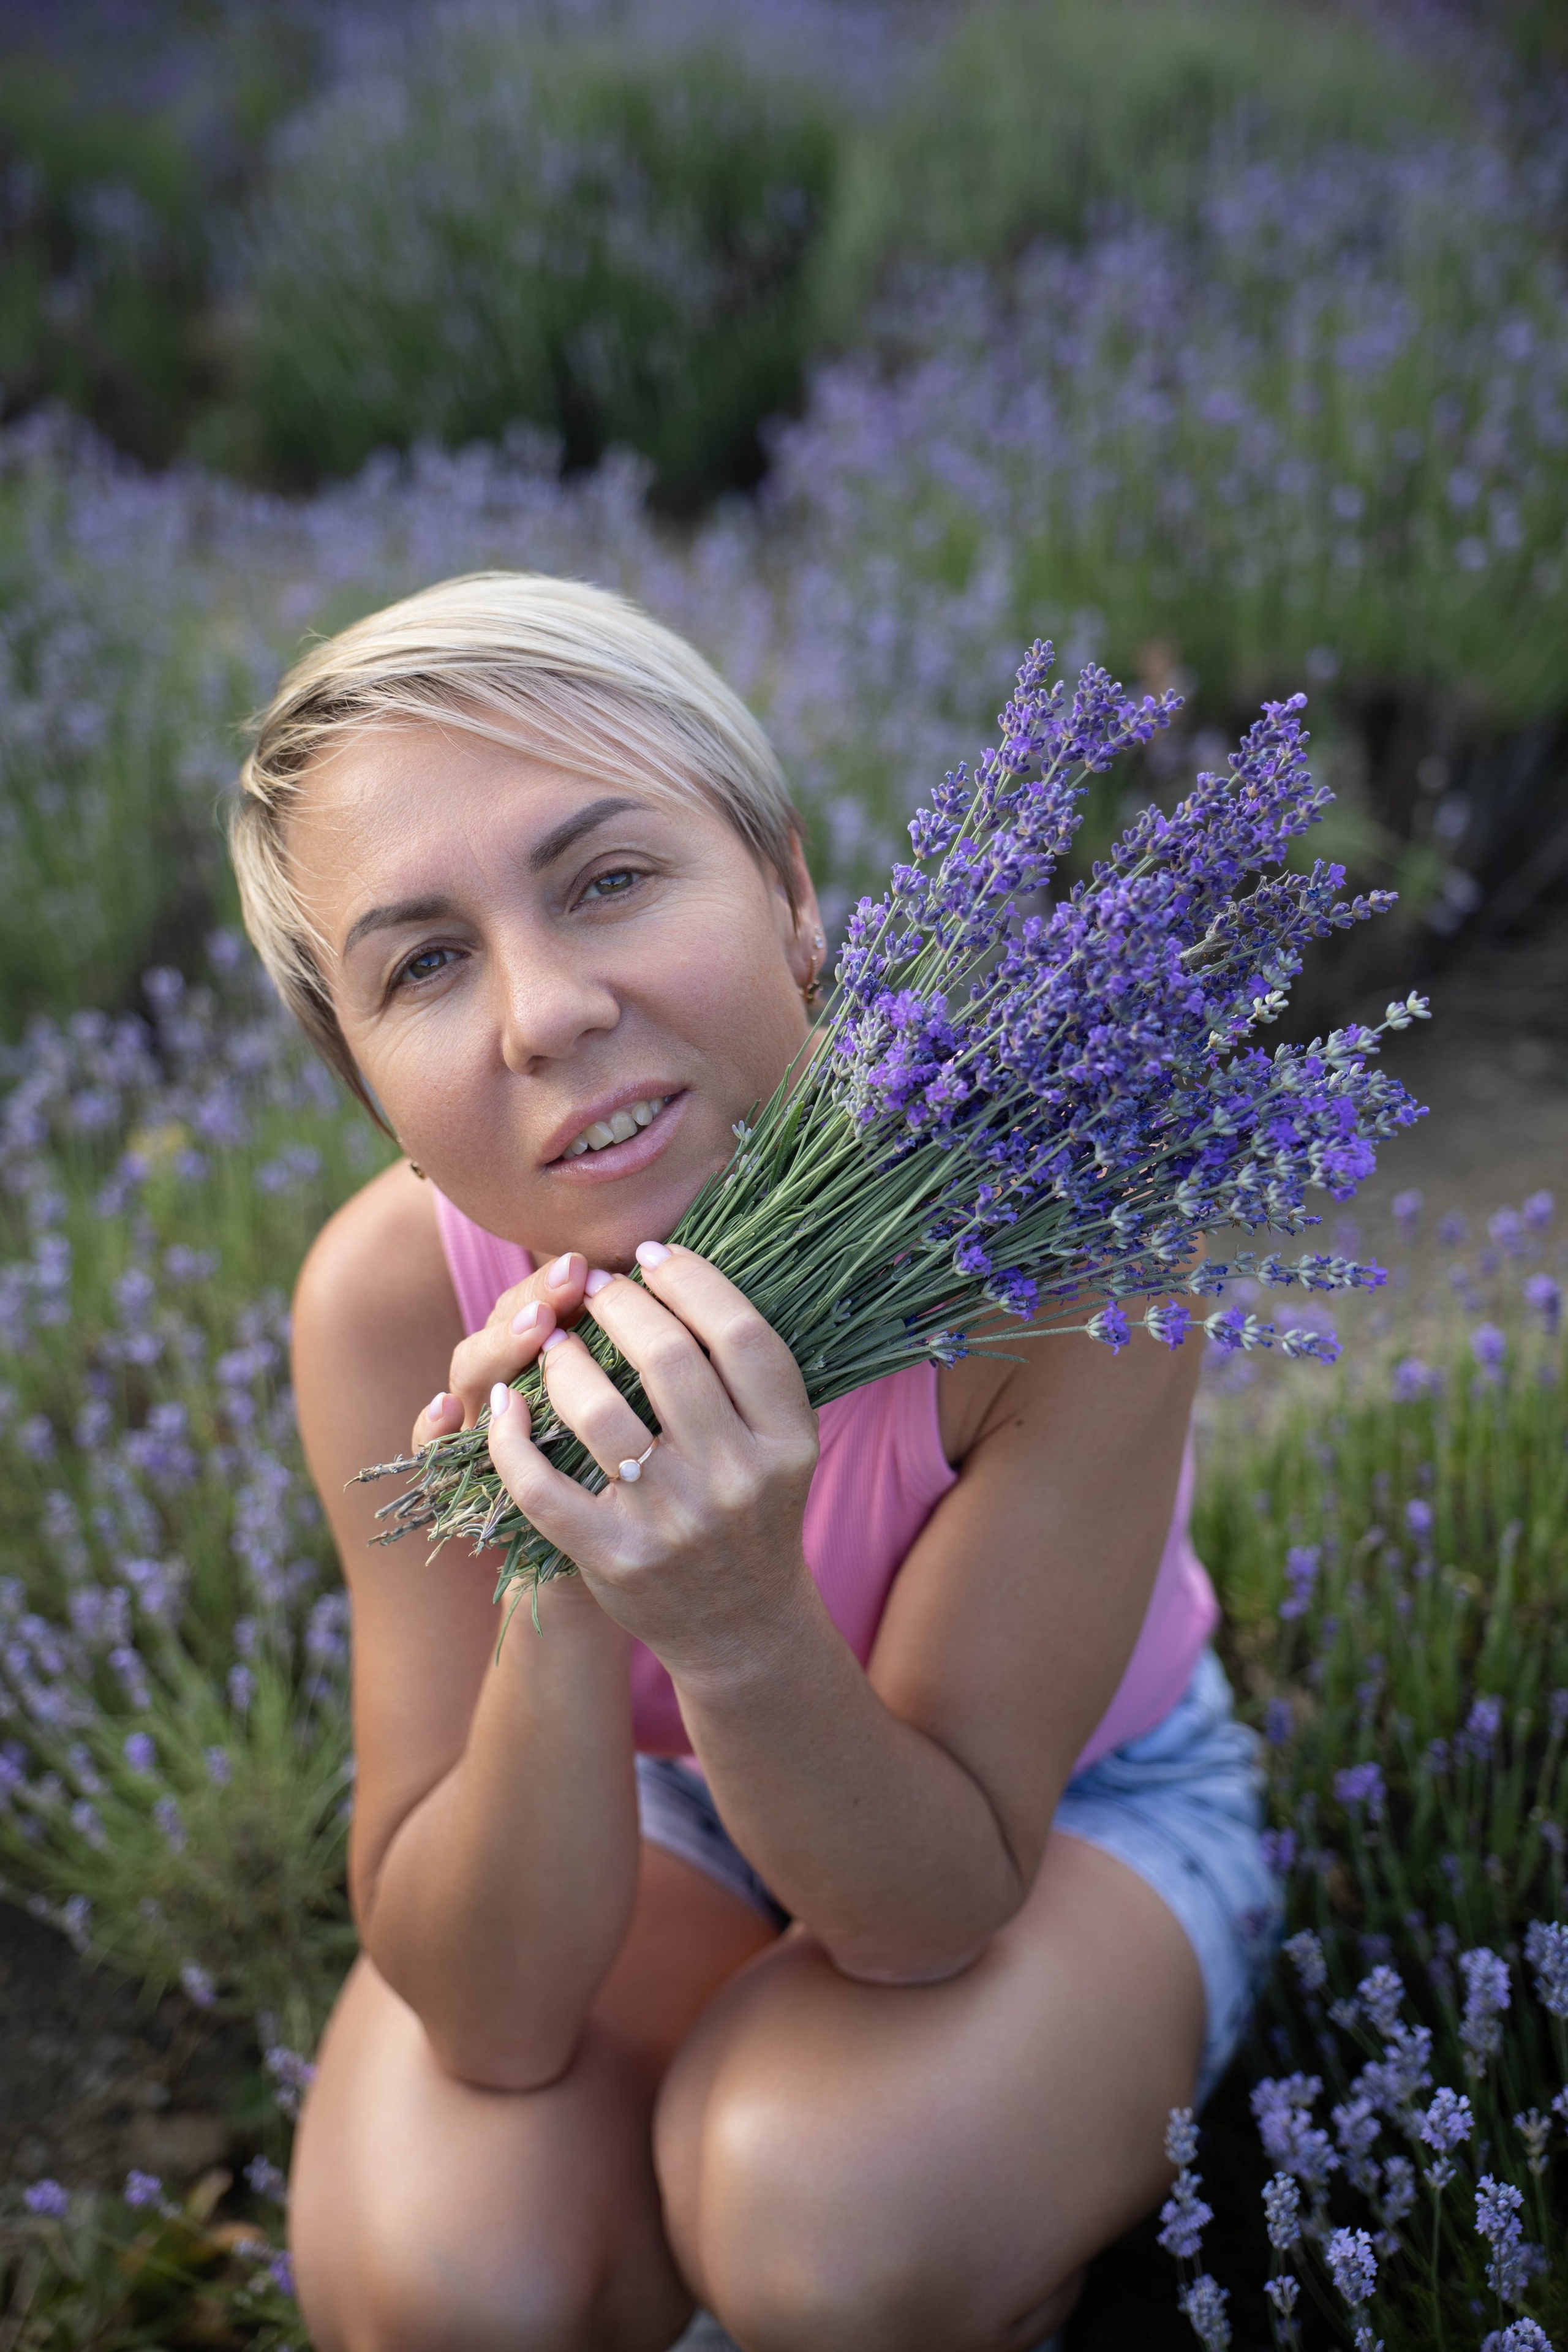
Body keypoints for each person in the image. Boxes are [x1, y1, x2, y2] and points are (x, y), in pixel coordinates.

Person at [232, 572, 1277, 2352]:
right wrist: (559, 1571)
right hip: (650, 1797)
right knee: (448, 2281)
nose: (545, 1011)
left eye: (609, 880)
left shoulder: (1061, 1251)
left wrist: (731, 1622)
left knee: (825, 2223)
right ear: (365, 1079)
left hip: (1058, 1811)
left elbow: (932, 1911)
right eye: (425, 964)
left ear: (792, 894)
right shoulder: (386, 1299)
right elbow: (486, 2017)